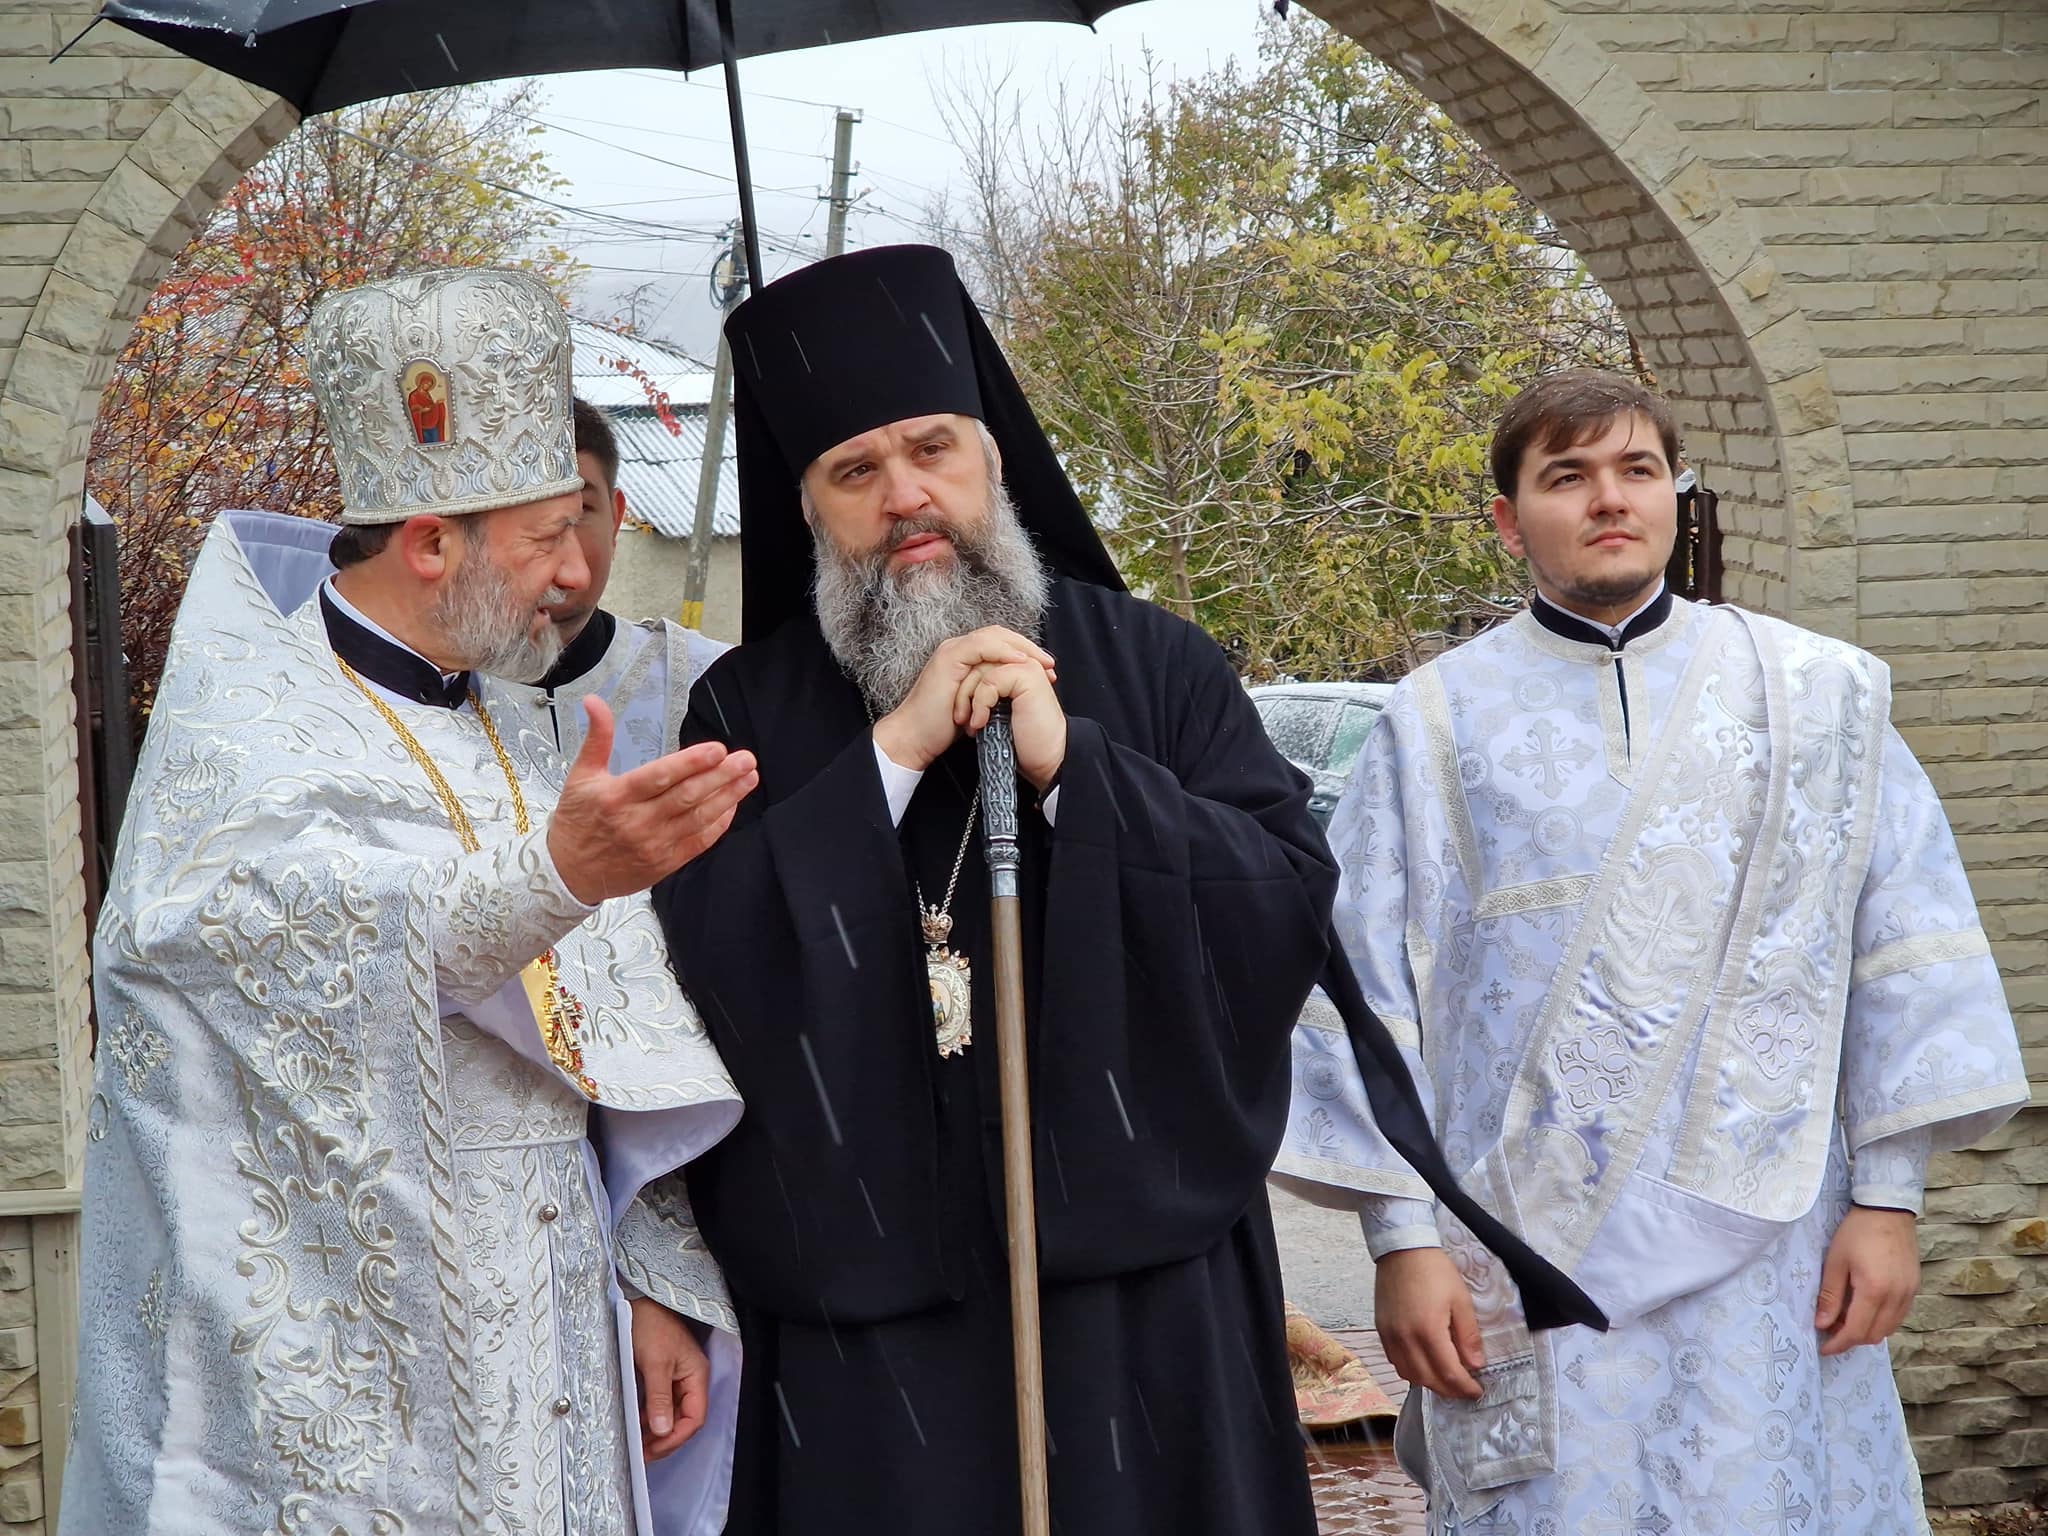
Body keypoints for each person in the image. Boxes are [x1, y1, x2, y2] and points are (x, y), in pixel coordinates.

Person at [649, 244, 1333, 1535]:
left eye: (932, 449)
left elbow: (1281, 910)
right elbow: (703, 968)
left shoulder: (1157, 666)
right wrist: (889, 759)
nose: (905, 494)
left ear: (992, 460)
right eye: (855, 471)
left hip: (1143, 1314)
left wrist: (1080, 771)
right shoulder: (745, 710)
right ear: (809, 509)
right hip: (873, 1330)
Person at [65, 268, 760, 1536]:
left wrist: (656, 1270)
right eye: (546, 537)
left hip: (552, 1316)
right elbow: (276, 931)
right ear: (433, 543)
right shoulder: (249, 720)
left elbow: (611, 1036)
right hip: (346, 1358)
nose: (576, 572)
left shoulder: (518, 726)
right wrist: (558, 876)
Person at [1271, 368, 2028, 1533]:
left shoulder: (1815, 699)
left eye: (1635, 469)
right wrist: (1400, 1242)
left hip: (1776, 1247)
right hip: (1529, 1248)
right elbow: (1366, 997)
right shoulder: (1432, 723)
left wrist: (1887, 1203)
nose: (1607, 499)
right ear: (1508, 518)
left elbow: (1900, 950)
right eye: (1565, 476)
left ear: (1675, 493)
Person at [480, 397, 728, 778]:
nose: (553, 546)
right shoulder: (429, 690)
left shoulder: (708, 678)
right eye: (518, 513)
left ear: (615, 519)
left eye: (578, 512)